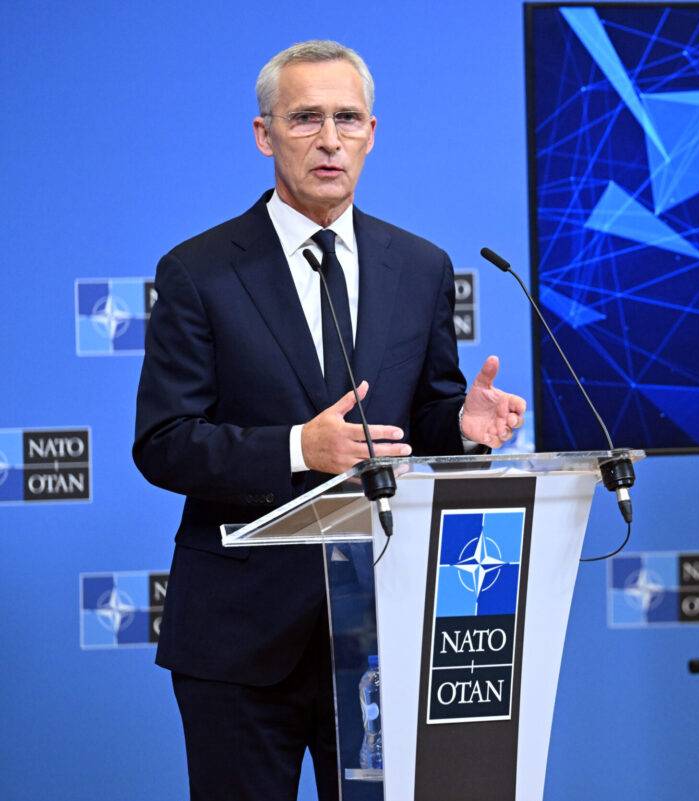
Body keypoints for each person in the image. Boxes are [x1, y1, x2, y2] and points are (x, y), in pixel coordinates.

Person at [132, 40, 525, 801]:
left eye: (347, 118)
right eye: (305, 117)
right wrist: (295, 448)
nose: (329, 137)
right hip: (239, 641)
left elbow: (422, 420)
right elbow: (164, 441)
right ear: (264, 134)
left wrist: (464, 426)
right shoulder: (200, 271)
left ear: (372, 132)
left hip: (380, 628)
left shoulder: (420, 266)